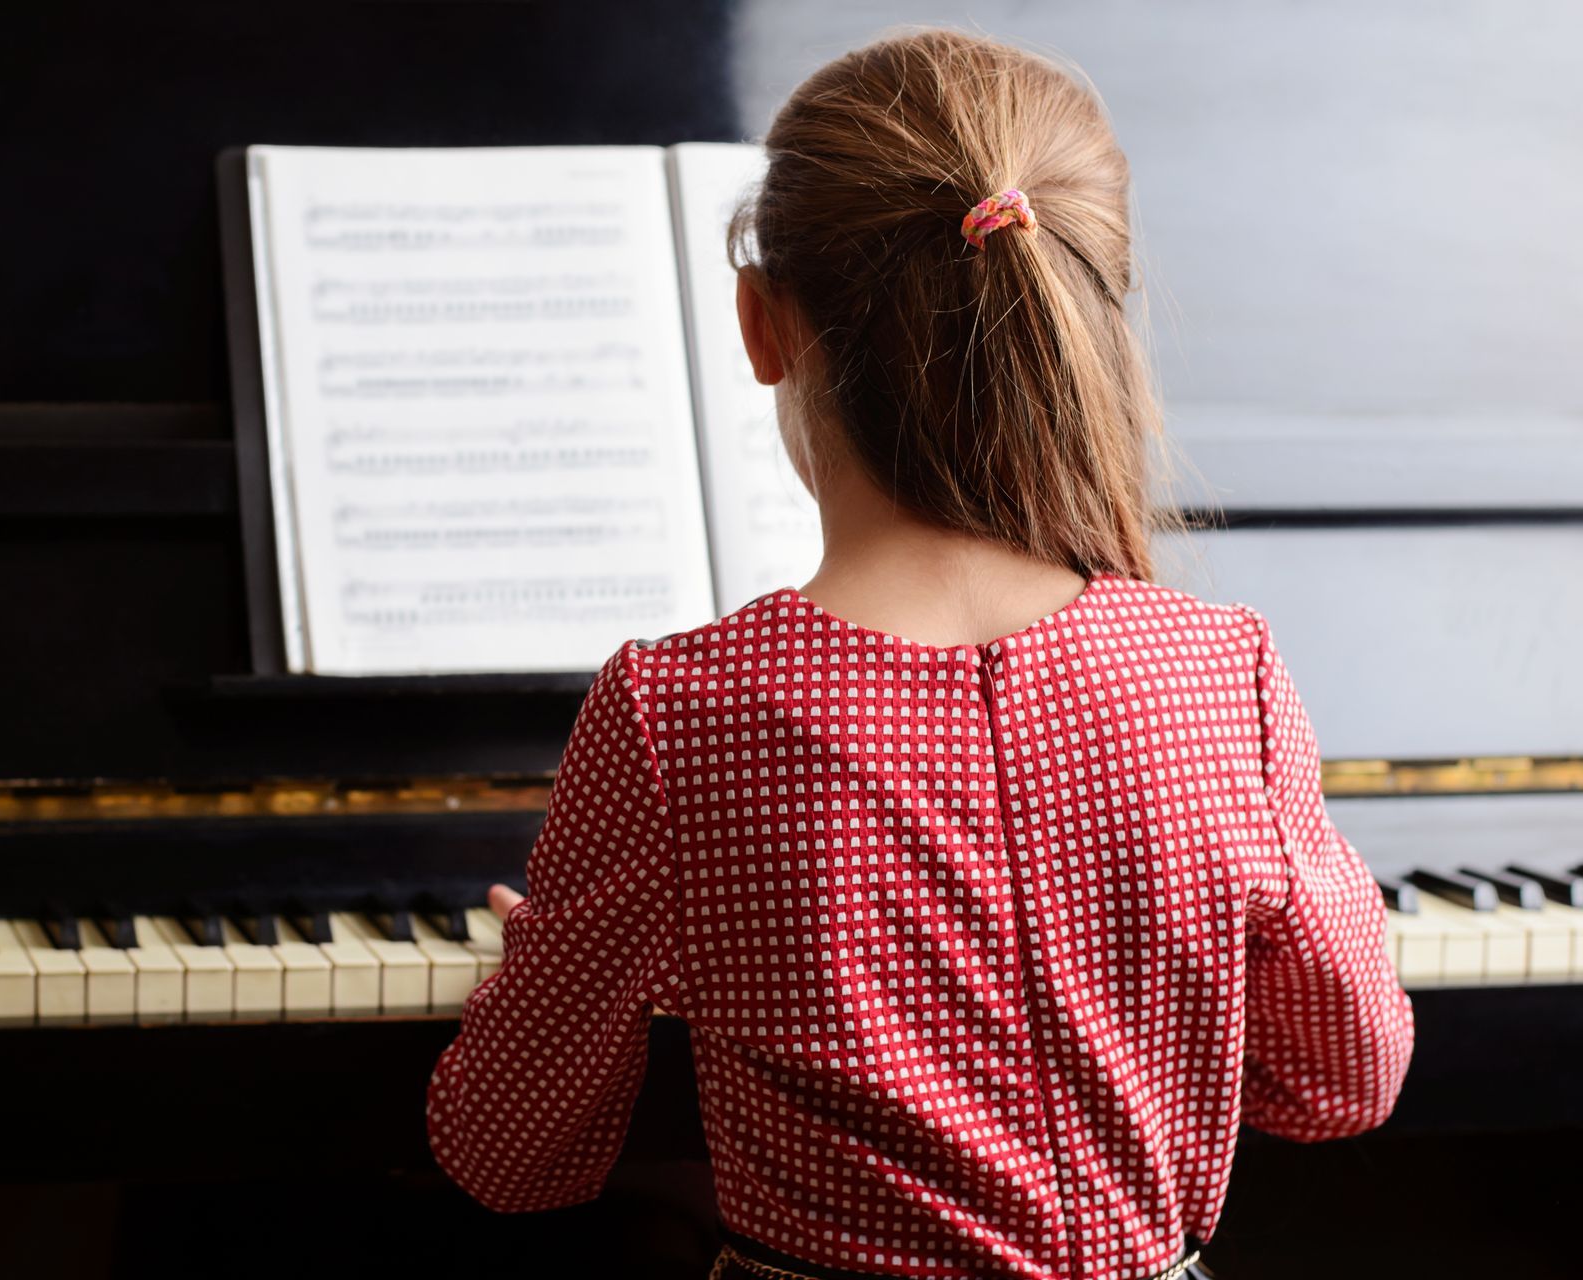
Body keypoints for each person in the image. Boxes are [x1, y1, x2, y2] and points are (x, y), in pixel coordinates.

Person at [426, 25, 1414, 1280]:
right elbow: (1345, 1078)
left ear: (760, 323)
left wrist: (561, 983)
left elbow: (513, 1160)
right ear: (1091, 313)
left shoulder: (677, 711)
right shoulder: (1223, 674)